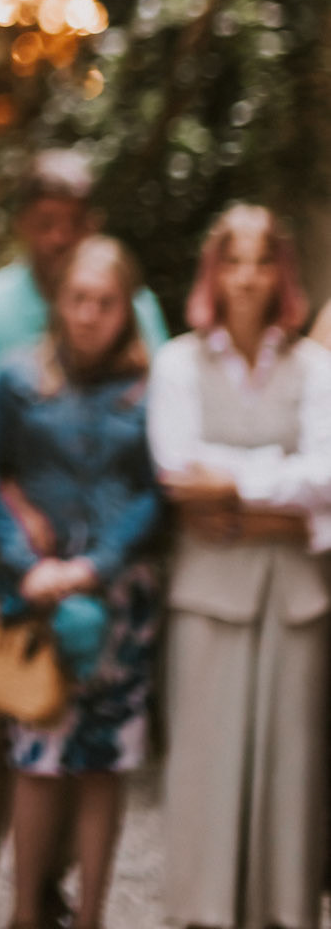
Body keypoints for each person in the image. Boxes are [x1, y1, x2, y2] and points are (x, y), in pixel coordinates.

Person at [0, 153, 169, 929]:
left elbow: (153, 431)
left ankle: (50, 886)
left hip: (96, 561)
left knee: (82, 732)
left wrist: (91, 559)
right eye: (44, 223)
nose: (58, 238)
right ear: (24, 225)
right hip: (4, 543)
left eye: (72, 224)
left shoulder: (136, 306)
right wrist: (25, 537)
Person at [148, 204, 331, 929]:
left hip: (297, 597)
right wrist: (284, 494)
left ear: (282, 272)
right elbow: (175, 470)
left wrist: (228, 484)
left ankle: (281, 916)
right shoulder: (177, 362)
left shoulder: (313, 366)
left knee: (291, 768)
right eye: (233, 261)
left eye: (261, 261)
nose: (248, 277)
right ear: (213, 272)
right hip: (207, 592)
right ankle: (205, 914)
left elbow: (326, 476)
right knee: (205, 761)